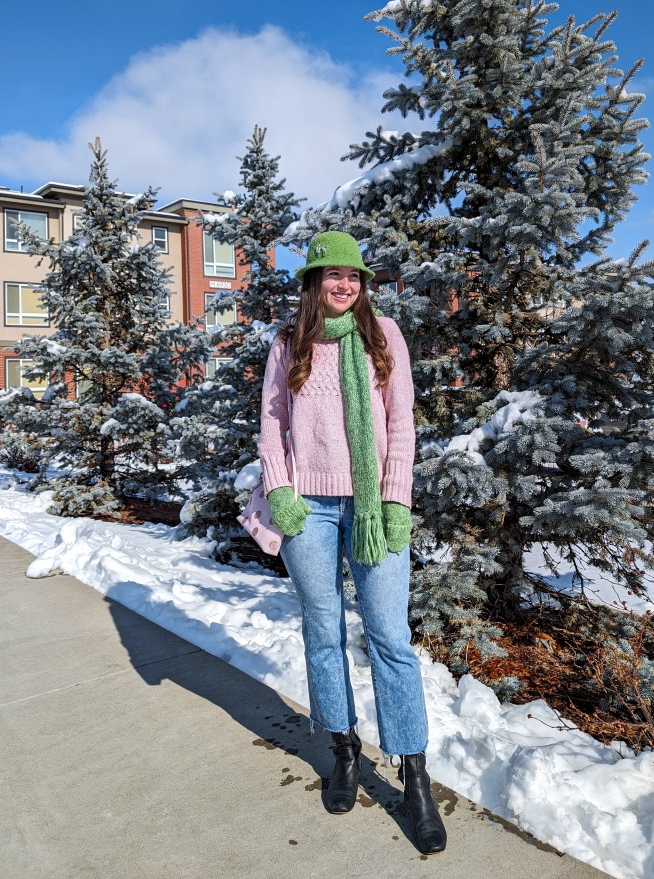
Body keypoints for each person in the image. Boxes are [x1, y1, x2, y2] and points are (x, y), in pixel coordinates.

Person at [258, 230, 447, 854]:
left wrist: (396, 499)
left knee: (391, 635)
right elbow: (272, 422)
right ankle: (343, 750)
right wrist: (280, 488)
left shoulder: (383, 335)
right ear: (314, 282)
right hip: (307, 506)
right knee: (323, 630)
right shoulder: (289, 342)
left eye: (353, 275)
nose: (344, 284)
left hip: (372, 506)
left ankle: (414, 775)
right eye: (332, 274)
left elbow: (401, 421)